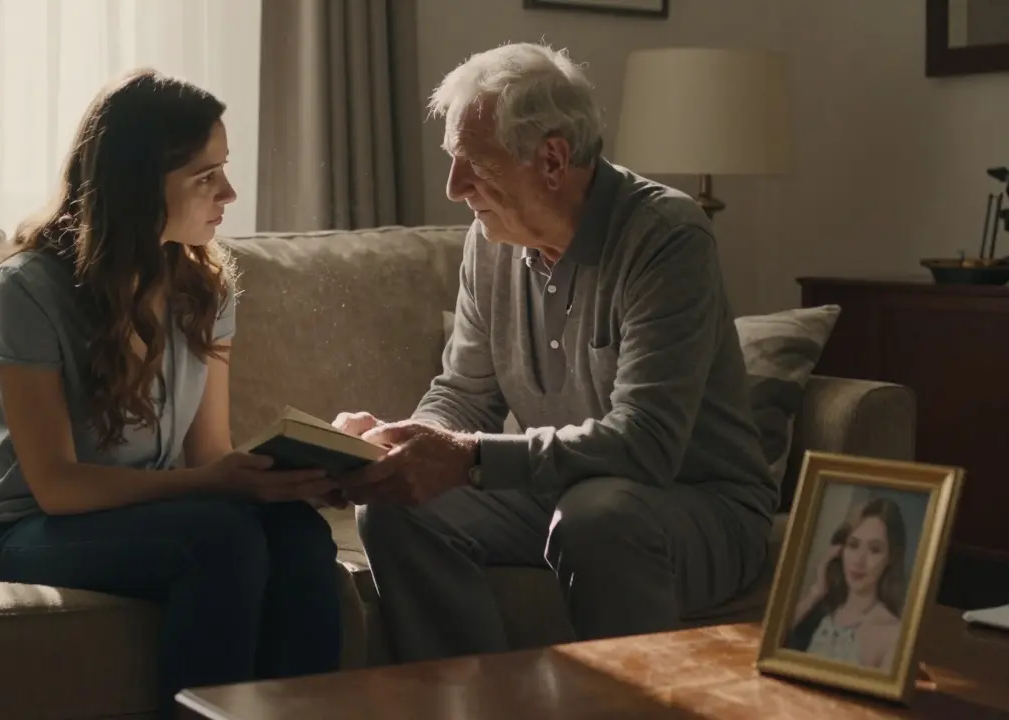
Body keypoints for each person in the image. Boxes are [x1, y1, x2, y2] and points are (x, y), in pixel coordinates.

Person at [332, 42, 778, 662]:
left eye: (473, 163)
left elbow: (646, 444)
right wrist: (405, 444)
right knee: (395, 510)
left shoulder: (667, 237)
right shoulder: (488, 244)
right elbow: (464, 393)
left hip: (697, 503)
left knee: (598, 514)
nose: (454, 187)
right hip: (563, 491)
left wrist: (467, 458)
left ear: (551, 159)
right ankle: (474, 704)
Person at [0, 68, 342, 717]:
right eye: (205, 176)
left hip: (151, 518)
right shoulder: (30, 288)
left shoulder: (206, 290)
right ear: (139, 186)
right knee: (219, 540)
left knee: (298, 535)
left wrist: (285, 476)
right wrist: (214, 486)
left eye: (225, 168)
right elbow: (57, 485)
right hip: (27, 528)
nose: (229, 191)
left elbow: (207, 456)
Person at [785, 498, 907, 670]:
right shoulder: (820, 611)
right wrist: (816, 592)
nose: (859, 561)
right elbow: (770, 643)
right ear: (839, 551)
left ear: (890, 558)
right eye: (853, 545)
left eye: (874, 549)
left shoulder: (892, 633)